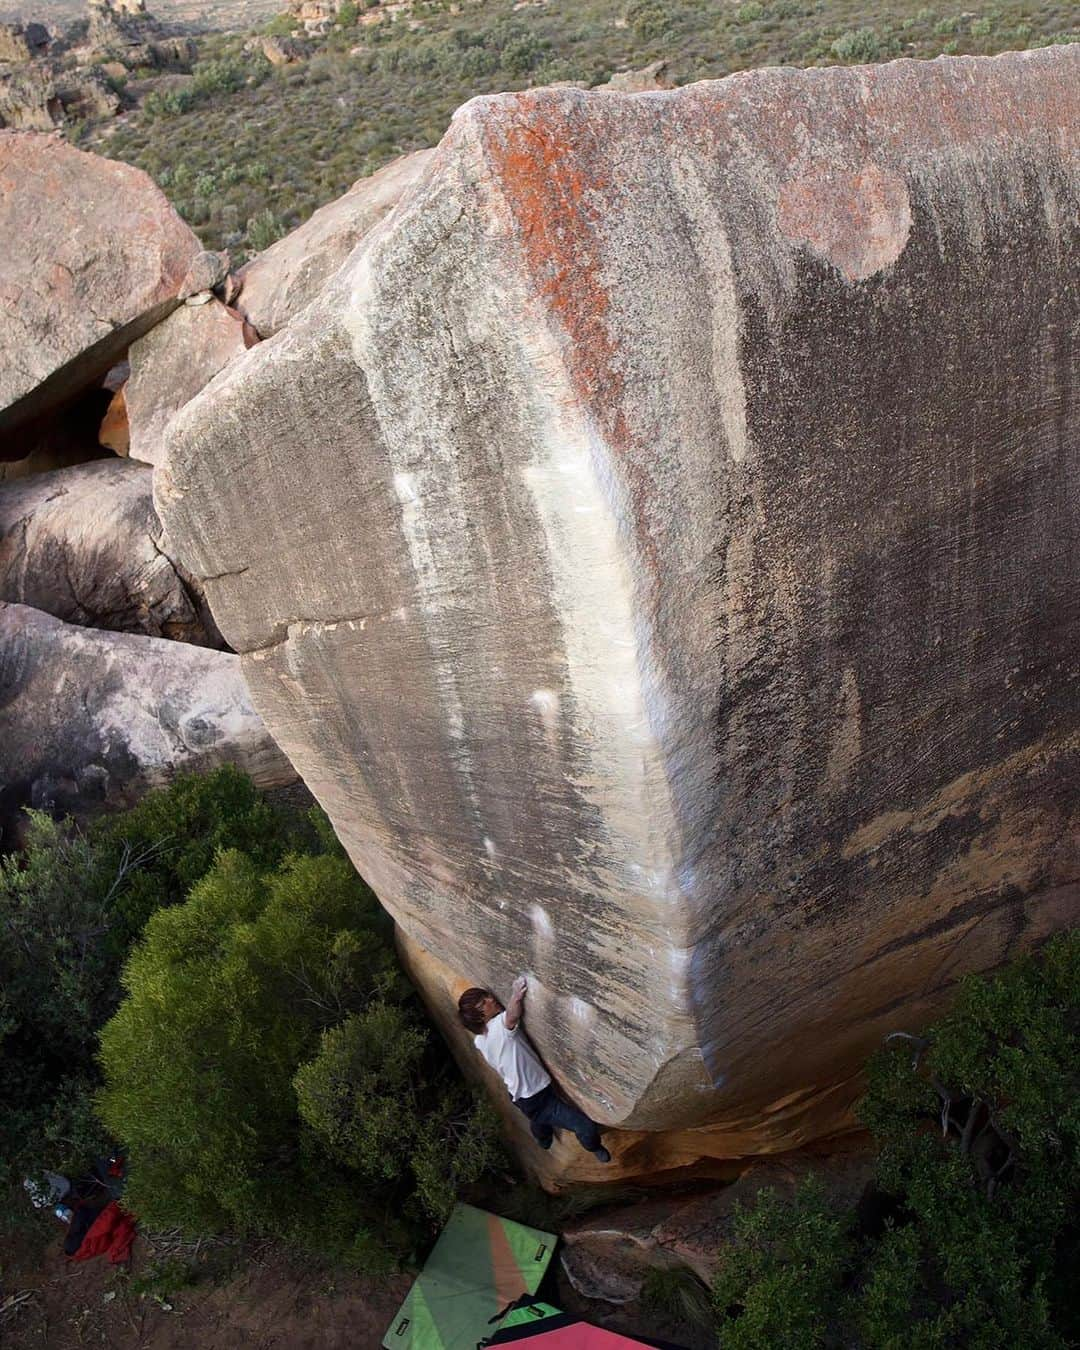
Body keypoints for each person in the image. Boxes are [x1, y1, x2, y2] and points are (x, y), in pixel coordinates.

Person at [458, 976, 611, 1162]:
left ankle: (543, 1137)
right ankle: (594, 1147)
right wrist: (516, 995)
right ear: (480, 1016)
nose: (491, 999)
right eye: (484, 1003)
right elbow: (512, 1016)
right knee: (585, 1127)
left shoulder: (480, 1040)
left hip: (521, 1095)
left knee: (537, 1118)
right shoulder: (499, 1027)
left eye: (487, 996)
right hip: (537, 1098)